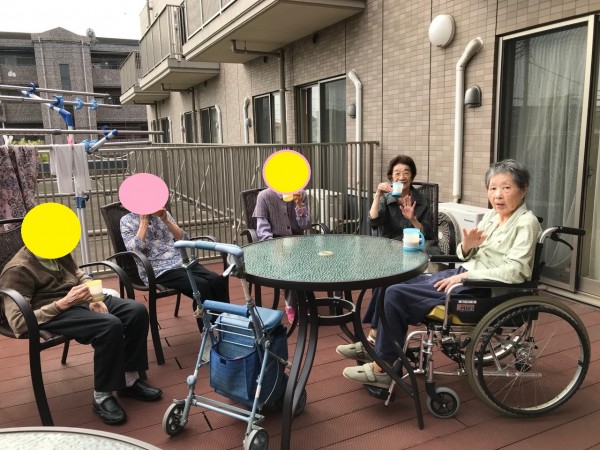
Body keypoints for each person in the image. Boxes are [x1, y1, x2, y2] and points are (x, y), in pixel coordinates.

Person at [338, 159, 542, 388]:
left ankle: (383, 367)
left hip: (482, 288)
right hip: (463, 275)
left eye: (506, 187)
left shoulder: (526, 223)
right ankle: (375, 342)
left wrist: (464, 276)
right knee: (389, 282)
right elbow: (463, 254)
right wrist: (467, 247)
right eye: (493, 188)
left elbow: (517, 271)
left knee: (395, 294)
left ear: (523, 189)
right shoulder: (492, 217)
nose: (498, 195)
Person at [0, 248, 162, 425]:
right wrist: (63, 304)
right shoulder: (18, 270)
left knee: (136, 311)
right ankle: (102, 396)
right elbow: (18, 322)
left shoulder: (58, 250)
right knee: (109, 326)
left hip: (77, 301)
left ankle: (129, 381)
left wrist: (95, 298)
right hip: (51, 312)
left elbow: (80, 275)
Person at [364, 155, 435, 344]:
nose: (401, 177)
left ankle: (375, 332)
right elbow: (373, 221)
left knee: (387, 280)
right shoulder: (386, 198)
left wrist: (412, 219)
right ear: (391, 177)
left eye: (406, 173)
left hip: (413, 249)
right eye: (397, 173)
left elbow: (428, 233)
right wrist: (377, 195)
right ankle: (378, 331)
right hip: (389, 248)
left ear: (412, 176)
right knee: (384, 278)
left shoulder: (422, 200)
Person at [120, 207, 229, 330]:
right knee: (201, 286)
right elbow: (134, 250)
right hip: (157, 269)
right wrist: (144, 222)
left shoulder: (163, 214)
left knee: (216, 280)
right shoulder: (126, 220)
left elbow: (184, 239)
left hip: (181, 262)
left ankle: (225, 324)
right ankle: (208, 331)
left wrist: (166, 220)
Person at [253, 188, 312, 323]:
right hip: (274, 242)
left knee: (313, 259)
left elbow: (305, 225)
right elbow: (262, 230)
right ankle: (291, 304)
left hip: (299, 242)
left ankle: (304, 298)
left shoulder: (301, 194)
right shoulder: (264, 196)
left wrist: (299, 205)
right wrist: (275, 247)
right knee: (292, 263)